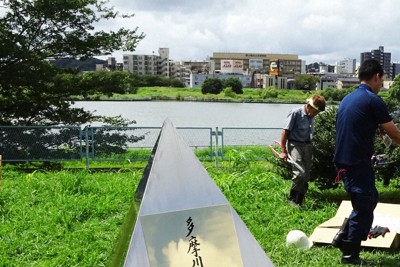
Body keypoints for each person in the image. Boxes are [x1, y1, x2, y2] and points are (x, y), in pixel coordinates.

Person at [333, 58, 400, 265]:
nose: (382, 85)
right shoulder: (373, 100)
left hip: (345, 160)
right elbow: (394, 133)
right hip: (355, 162)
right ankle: (350, 255)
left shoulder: (348, 98)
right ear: (377, 76)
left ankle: (342, 238)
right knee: (363, 207)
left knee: (369, 199)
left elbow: (358, 127)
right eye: (382, 80)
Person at [279, 95, 326, 206]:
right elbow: (285, 132)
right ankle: (292, 199)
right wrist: (283, 151)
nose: (315, 115)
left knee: (306, 176)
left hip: (307, 146)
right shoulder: (295, 113)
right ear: (309, 106)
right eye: (315, 112)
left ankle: (299, 201)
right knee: (299, 173)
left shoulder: (311, 116)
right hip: (295, 144)